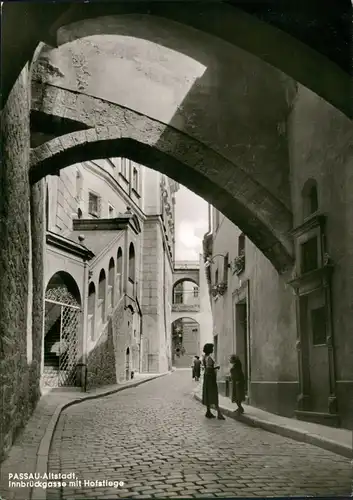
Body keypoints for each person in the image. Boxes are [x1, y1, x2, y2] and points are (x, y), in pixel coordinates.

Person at [202, 343, 225, 420]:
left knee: (208, 394)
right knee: (213, 394)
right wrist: (216, 368)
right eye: (211, 348)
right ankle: (219, 413)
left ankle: (208, 412)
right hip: (210, 378)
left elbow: (206, 368)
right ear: (209, 349)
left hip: (206, 378)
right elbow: (209, 369)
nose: (212, 349)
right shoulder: (209, 358)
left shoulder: (204, 357)